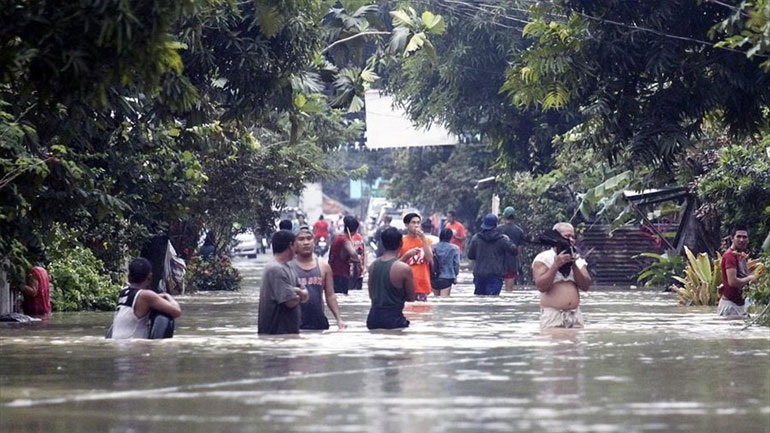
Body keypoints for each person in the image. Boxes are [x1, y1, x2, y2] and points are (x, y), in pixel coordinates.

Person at [532, 222, 592, 329]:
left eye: (573, 237)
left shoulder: (578, 259)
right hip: (553, 316)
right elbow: (541, 286)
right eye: (567, 236)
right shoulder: (543, 259)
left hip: (575, 316)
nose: (571, 240)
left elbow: (586, 286)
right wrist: (556, 265)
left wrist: (573, 264)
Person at [288, 226, 346, 330]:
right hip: (295, 323)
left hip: (318, 321)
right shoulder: (288, 267)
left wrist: (339, 319)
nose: (306, 242)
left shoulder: (324, 266)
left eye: (309, 238)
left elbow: (330, 295)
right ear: (294, 244)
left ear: (314, 242)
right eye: (301, 239)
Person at [110, 257, 182, 339]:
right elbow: (177, 312)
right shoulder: (146, 296)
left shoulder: (124, 292)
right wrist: (167, 296)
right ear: (150, 276)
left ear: (129, 276)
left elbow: (140, 299)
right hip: (132, 346)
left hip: (117, 343)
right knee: (166, 317)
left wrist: (157, 297)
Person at [257, 230, 309, 334]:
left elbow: (305, 295)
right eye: (296, 243)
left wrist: (296, 291)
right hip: (276, 334)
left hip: (289, 334)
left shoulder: (289, 267)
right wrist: (298, 292)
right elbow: (290, 302)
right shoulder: (275, 269)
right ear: (290, 246)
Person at [367, 227, 416, 329]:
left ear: (383, 244)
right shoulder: (404, 269)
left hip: (373, 319)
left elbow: (371, 294)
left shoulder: (372, 266)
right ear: (400, 244)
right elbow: (411, 298)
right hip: (394, 319)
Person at [467, 213, 517, 296]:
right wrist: (509, 240)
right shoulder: (502, 240)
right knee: (493, 301)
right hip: (495, 275)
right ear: (495, 225)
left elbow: (470, 256)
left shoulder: (476, 238)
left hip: (480, 274)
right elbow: (514, 251)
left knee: (480, 300)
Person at [718, 226, 758, 317]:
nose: (741, 240)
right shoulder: (729, 256)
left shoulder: (740, 256)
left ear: (748, 240)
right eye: (738, 236)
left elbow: (743, 277)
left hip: (740, 305)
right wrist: (750, 278)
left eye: (744, 237)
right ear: (732, 238)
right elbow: (733, 282)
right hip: (730, 305)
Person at [399, 212, 434, 302]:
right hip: (405, 285)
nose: (416, 225)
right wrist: (407, 255)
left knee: (422, 314)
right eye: (413, 223)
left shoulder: (427, 241)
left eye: (418, 223)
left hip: (422, 285)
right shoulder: (401, 242)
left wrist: (423, 240)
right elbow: (396, 264)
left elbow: (429, 258)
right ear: (406, 225)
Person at [328, 215, 362, 295]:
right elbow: (353, 253)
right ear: (354, 230)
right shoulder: (345, 240)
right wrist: (357, 260)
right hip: (341, 275)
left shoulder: (337, 237)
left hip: (333, 274)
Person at [497, 206, 526, 291]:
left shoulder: (498, 229)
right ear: (514, 216)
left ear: (504, 216)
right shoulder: (519, 231)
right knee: (509, 291)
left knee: (496, 291)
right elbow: (519, 250)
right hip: (511, 262)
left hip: (499, 262)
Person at [431, 228, 461, 297]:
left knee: (435, 299)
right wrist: (455, 275)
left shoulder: (433, 247)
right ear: (450, 237)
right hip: (447, 278)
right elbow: (456, 264)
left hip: (434, 277)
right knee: (444, 300)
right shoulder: (454, 248)